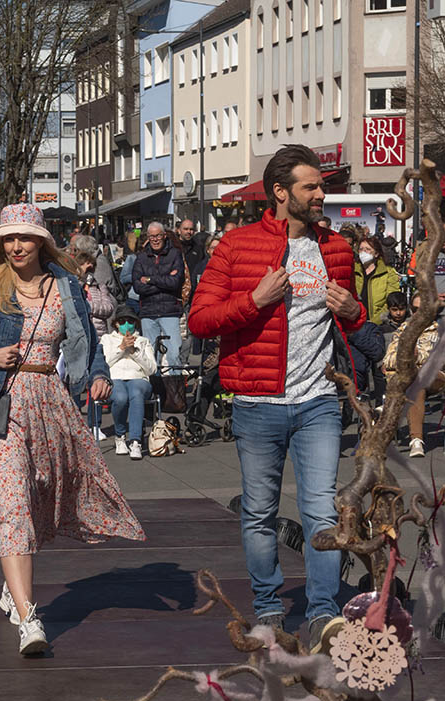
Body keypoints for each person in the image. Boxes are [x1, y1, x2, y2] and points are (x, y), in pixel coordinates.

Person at [187, 144, 365, 649]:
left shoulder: (337, 250)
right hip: (257, 404)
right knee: (260, 513)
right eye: (311, 186)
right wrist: (254, 300)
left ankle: (324, 612)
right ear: (281, 192)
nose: (321, 194)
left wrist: (352, 310)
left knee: (322, 514)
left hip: (318, 404)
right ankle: (268, 606)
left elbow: (354, 326)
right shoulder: (237, 246)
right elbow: (200, 320)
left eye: (321, 185)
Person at [0, 203, 144, 656]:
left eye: (24, 237)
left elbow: (86, 340)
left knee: (40, 496)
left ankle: (12, 586)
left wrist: (98, 376)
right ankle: (29, 617)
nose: (16, 245)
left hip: (49, 400)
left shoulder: (65, 287)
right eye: (8, 238)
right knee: (11, 501)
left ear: (42, 241)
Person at [383, 294, 444, 458]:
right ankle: (416, 440)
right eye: (415, 309)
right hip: (413, 379)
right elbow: (387, 360)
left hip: (437, 376)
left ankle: (389, 406)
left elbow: (434, 358)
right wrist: (409, 358)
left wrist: (410, 357)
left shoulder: (439, 330)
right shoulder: (403, 329)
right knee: (416, 385)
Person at [101, 308, 156, 459]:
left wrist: (134, 351)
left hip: (138, 377)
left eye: (130, 321)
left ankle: (135, 441)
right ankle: (120, 436)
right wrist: (121, 348)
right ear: (116, 324)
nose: (127, 324)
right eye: (123, 321)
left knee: (136, 393)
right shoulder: (107, 339)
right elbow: (104, 363)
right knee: (120, 397)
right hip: (115, 377)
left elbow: (151, 369)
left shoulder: (143, 341)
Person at [132, 221, 186, 374]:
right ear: (148, 238)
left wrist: (150, 279)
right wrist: (164, 280)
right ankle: (156, 392)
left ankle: (175, 393)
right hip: (148, 312)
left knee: (174, 354)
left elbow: (175, 282)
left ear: (164, 236)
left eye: (158, 236)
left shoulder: (175, 254)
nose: (155, 239)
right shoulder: (141, 257)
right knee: (150, 356)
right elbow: (137, 287)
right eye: (151, 236)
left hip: (170, 310)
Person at [353, 236, 399, 326]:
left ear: (376, 253)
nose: (363, 252)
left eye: (368, 249)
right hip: (355, 323)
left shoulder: (388, 272)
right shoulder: (352, 271)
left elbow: (392, 301)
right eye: (361, 249)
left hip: (379, 324)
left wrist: (376, 321)